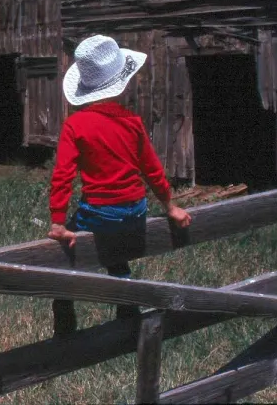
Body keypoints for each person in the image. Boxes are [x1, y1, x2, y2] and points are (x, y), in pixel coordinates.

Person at [48, 34, 192, 336]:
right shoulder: (133, 122)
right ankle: (125, 295)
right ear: (120, 83)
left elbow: (63, 175)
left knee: (64, 253)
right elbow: (152, 169)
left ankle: (64, 310)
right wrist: (170, 206)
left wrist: (58, 222)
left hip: (101, 213)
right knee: (116, 241)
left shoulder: (75, 125)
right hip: (135, 211)